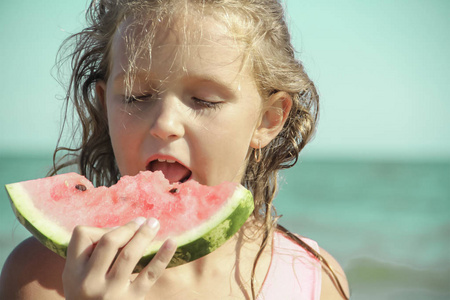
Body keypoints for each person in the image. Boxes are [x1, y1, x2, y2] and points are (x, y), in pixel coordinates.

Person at [0, 0, 349, 299]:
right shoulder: (40, 278)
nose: (165, 123)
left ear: (268, 119)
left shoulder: (312, 282)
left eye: (204, 100)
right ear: (104, 106)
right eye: (137, 96)